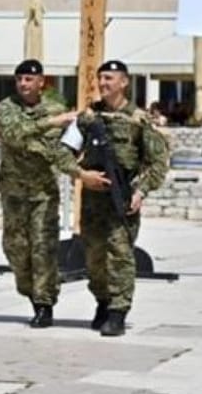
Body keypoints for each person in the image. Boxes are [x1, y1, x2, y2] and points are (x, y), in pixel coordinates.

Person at [0, 60, 109, 327]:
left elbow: (63, 151)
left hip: (43, 192)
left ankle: (44, 304)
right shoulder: (6, 108)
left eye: (28, 79)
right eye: (20, 79)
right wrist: (51, 122)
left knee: (43, 249)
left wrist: (81, 173)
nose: (23, 84)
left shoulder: (56, 109)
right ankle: (31, 293)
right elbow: (12, 135)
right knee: (16, 249)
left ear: (40, 82)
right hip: (13, 191)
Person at [71, 60, 169, 337]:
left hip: (122, 199)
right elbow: (62, 152)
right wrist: (81, 174)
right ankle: (102, 301)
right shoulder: (88, 118)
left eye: (109, 78)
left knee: (120, 255)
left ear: (124, 82)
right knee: (93, 257)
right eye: (101, 78)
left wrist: (141, 190)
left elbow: (158, 162)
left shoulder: (139, 120)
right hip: (93, 199)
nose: (103, 83)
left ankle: (118, 312)